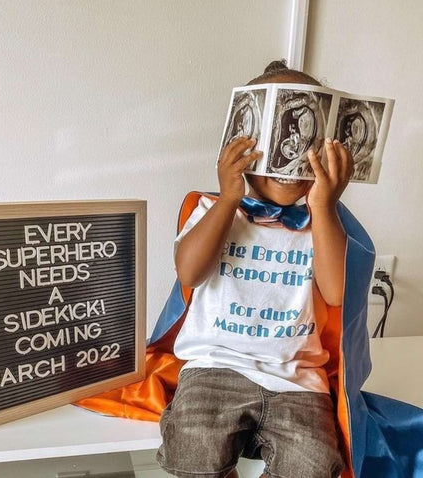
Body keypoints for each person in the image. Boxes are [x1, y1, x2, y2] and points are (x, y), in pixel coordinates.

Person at [155, 59, 350, 478]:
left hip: (297, 379)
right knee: (192, 451)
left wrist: (324, 205)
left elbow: (337, 294)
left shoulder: (324, 223)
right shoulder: (212, 209)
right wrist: (228, 199)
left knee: (315, 465)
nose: (291, 151)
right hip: (214, 366)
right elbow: (189, 274)